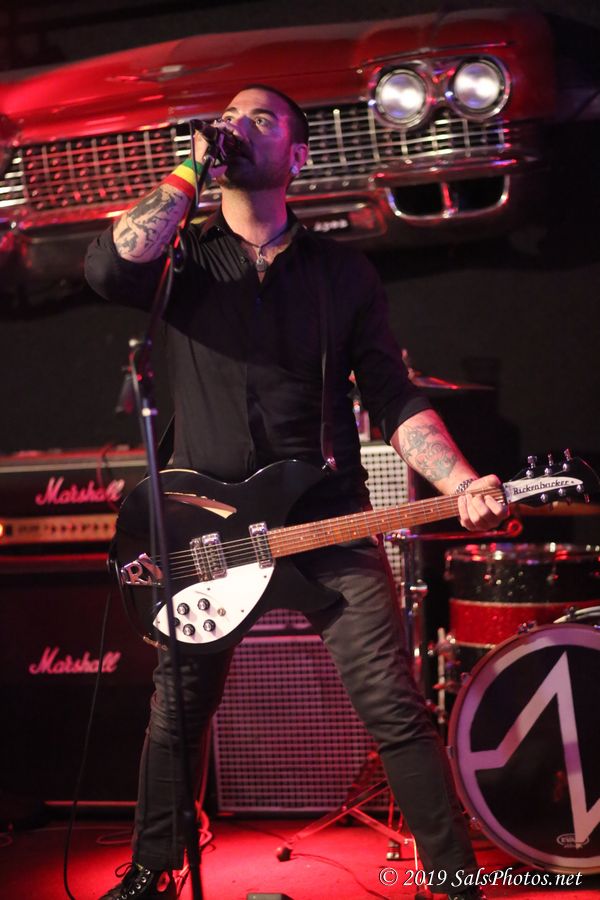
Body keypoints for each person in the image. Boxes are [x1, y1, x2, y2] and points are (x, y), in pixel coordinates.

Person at [85, 84, 506, 900]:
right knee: (178, 709)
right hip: (205, 530)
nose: (237, 126)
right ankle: (153, 870)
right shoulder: (182, 260)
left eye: (261, 118)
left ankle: (453, 878)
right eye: (229, 117)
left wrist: (459, 481)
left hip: (326, 520)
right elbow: (108, 266)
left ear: (300, 156)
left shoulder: (341, 274)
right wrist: (189, 167)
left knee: (393, 706)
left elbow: (392, 395)